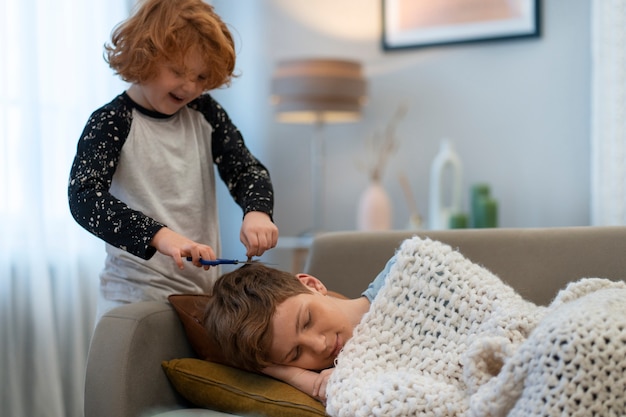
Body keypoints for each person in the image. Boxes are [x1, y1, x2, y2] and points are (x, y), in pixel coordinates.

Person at [68, 0, 278, 322]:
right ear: (144, 57)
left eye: (201, 76)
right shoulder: (111, 121)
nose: (190, 86)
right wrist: (161, 236)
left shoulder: (205, 114)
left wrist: (257, 212)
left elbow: (245, 169)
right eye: (178, 71)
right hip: (132, 300)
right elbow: (84, 198)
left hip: (199, 297)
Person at [203, 260, 392, 404]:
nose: (319, 346)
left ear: (312, 284)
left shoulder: (400, 276)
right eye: (296, 353)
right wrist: (294, 376)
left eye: (307, 320)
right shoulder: (342, 377)